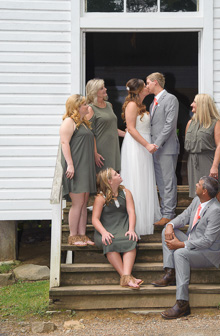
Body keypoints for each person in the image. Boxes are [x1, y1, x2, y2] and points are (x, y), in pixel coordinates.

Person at [152, 176, 220, 319]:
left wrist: (181, 244)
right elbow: (184, 217)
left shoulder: (216, 211)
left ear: (204, 191)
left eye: (198, 184)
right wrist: (170, 225)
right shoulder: (197, 200)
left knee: (180, 253)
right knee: (166, 232)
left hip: (208, 253)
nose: (195, 184)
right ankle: (171, 272)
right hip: (194, 243)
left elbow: (207, 241)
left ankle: (182, 304)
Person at [120, 79, 161, 236]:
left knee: (144, 180)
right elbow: (131, 128)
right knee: (136, 179)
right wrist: (146, 145)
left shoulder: (142, 105)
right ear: (139, 90)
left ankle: (146, 214)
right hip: (136, 146)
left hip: (143, 145)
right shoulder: (132, 105)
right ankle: (135, 221)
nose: (147, 86)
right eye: (144, 85)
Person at [92, 168, 143, 289]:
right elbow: (95, 219)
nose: (119, 175)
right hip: (106, 229)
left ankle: (126, 278)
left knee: (130, 239)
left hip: (123, 226)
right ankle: (128, 278)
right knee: (110, 241)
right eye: (116, 174)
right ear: (109, 181)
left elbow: (131, 212)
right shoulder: (100, 197)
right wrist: (104, 233)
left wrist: (131, 229)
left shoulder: (126, 193)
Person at [60, 94, 96, 246]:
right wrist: (70, 164)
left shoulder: (84, 122)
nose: (88, 107)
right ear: (76, 107)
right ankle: (73, 236)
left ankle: (82, 235)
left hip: (86, 167)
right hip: (76, 167)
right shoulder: (69, 121)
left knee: (84, 203)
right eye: (84, 105)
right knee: (77, 203)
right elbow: (64, 143)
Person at [146, 72, 179, 226]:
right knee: (160, 182)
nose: (146, 86)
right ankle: (163, 212)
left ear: (155, 82)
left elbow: (169, 125)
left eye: (147, 83)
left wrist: (156, 144)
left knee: (168, 181)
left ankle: (169, 214)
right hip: (156, 149)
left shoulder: (170, 99)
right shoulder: (153, 103)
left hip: (166, 148)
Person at [185, 93, 220, 199]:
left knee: (211, 195)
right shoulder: (190, 123)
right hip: (193, 162)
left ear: (202, 105)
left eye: (194, 102)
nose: (191, 104)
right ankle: (199, 215)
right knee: (196, 195)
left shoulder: (216, 123)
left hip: (208, 161)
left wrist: (215, 167)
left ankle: (212, 216)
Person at [86, 78, 125, 173]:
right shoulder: (90, 109)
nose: (105, 89)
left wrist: (129, 135)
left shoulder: (109, 105)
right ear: (94, 92)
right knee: (103, 179)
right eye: (101, 88)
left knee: (113, 176)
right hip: (100, 150)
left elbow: (112, 128)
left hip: (113, 148)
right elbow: (90, 133)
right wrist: (94, 153)